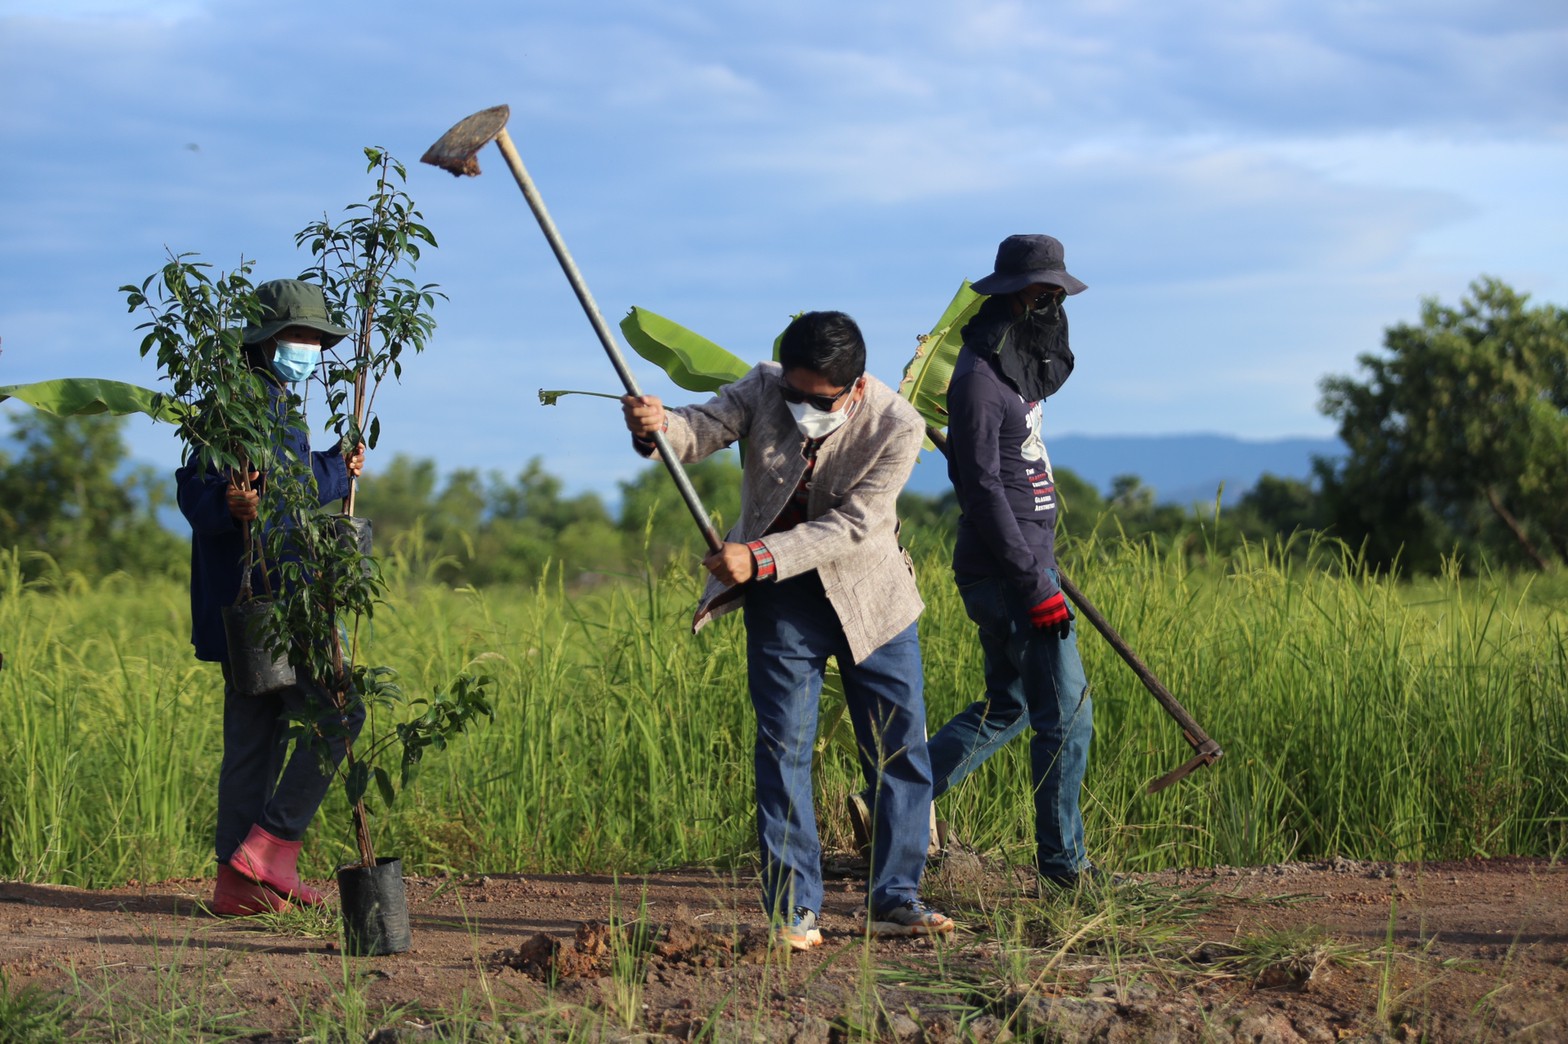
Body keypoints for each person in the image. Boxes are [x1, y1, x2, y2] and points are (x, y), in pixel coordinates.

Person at [621, 311, 954, 950]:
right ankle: (795, 910)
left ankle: (896, 898)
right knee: (784, 749)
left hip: (870, 595)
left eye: (818, 399)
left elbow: (855, 525)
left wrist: (760, 556)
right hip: (783, 603)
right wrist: (657, 427)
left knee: (898, 749)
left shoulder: (897, 424)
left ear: (854, 387)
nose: (800, 406)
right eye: (794, 394)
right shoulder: (765, 384)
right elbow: (702, 429)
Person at [872, 234, 1102, 891]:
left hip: (1024, 566)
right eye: (1043, 293)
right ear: (1011, 297)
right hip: (1010, 574)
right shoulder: (977, 381)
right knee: (1068, 720)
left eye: (1057, 293)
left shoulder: (1012, 369)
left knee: (1009, 708)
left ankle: (887, 804)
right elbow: (981, 490)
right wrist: (1037, 585)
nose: (1053, 304)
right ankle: (1065, 873)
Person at [176, 278, 367, 916]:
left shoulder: (277, 402)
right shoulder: (237, 405)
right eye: (298, 336)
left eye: (316, 338)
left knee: (254, 737)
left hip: (246, 604)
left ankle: (235, 888)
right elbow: (196, 490)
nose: (310, 348)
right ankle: (272, 846)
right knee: (341, 712)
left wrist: (338, 464)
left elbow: (289, 476)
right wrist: (230, 506)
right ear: (263, 343)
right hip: (268, 601)